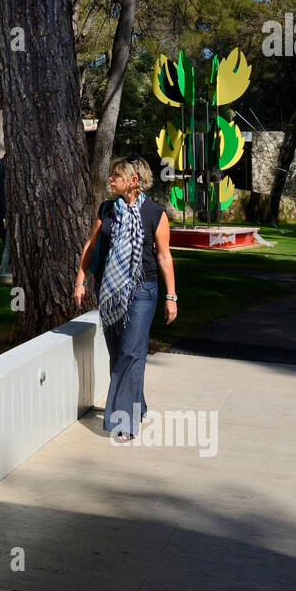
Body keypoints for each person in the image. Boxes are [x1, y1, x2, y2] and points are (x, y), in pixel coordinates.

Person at [74, 155, 177, 442]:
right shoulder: (107, 209)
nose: (111, 179)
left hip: (144, 290)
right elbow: (91, 245)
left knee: (131, 353)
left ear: (133, 181)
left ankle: (124, 420)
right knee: (119, 353)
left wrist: (171, 296)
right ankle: (137, 405)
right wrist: (80, 280)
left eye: (116, 176)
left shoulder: (155, 213)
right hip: (110, 292)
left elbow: (164, 256)